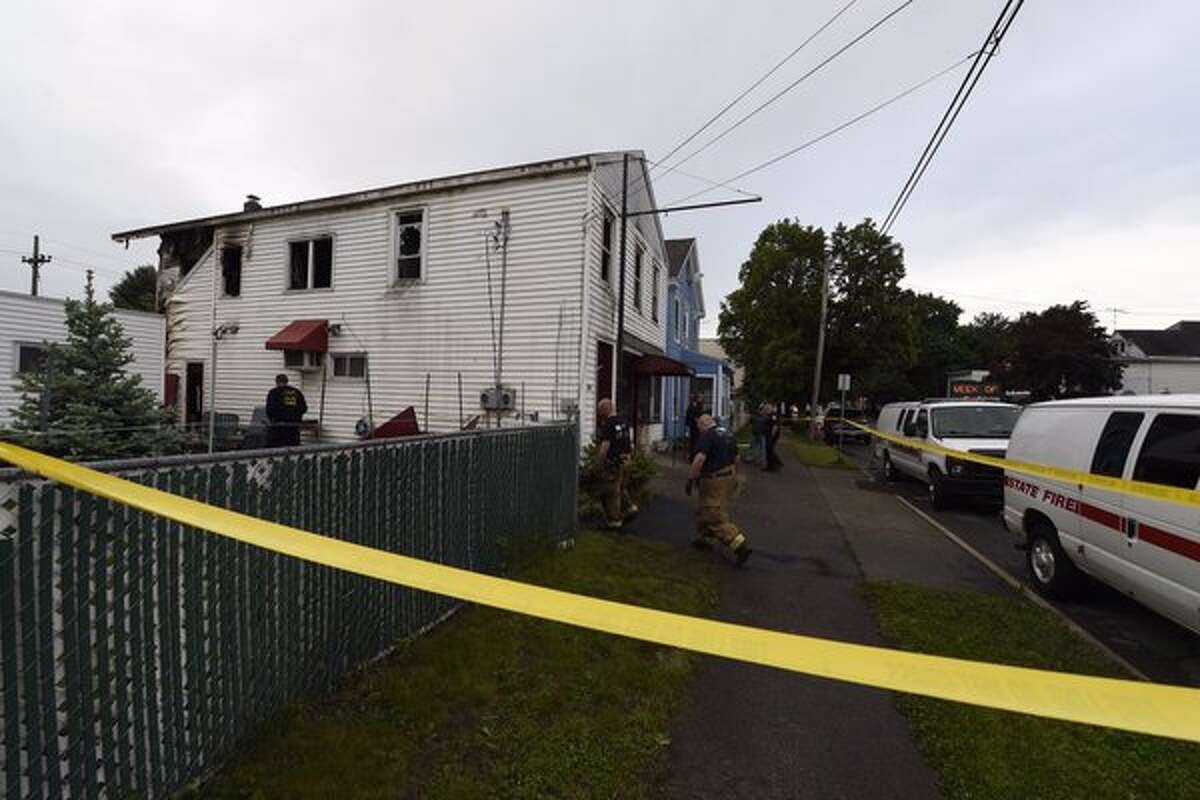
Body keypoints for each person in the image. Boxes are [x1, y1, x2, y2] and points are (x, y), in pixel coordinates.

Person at [686, 414, 751, 565]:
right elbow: (736, 458)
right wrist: (735, 477)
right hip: (729, 475)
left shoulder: (707, 436)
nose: (699, 430)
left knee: (713, 514)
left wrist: (691, 479)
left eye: (699, 427)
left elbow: (699, 459)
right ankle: (705, 539)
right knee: (706, 507)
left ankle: (739, 544)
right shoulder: (728, 434)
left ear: (703, 424)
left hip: (714, 479)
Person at [594, 398, 636, 530]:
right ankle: (630, 508)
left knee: (612, 492)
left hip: (615, 462)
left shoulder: (608, 424)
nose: (599, 414)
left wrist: (598, 463)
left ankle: (615, 521)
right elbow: (629, 442)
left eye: (600, 411)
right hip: (627, 459)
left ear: (605, 410)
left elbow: (605, 446)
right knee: (621, 487)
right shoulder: (623, 421)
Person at [266, 374, 307, 447]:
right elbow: (304, 408)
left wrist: (273, 419)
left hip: (278, 428)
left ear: (277, 382)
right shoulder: (296, 392)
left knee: (276, 450)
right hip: (293, 428)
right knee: (293, 449)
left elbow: (269, 410)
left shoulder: (274, 392)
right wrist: (295, 416)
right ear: (287, 381)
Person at [763, 404, 783, 472]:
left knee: (769, 450)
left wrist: (772, 435)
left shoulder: (773, 415)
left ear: (769, 409)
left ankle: (771, 467)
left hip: (772, 435)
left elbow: (775, 426)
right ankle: (777, 463)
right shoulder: (770, 415)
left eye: (766, 409)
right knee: (770, 449)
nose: (765, 411)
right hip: (770, 435)